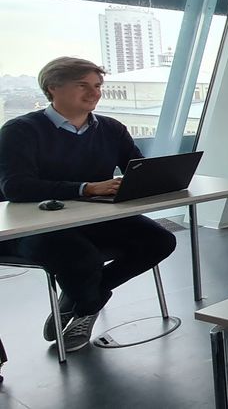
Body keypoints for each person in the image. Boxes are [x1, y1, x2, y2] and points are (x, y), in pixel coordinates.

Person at [0, 57, 177, 352]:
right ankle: (89, 305)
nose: (94, 93)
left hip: (94, 218)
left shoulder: (111, 129)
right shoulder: (20, 130)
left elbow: (138, 168)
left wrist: (159, 179)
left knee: (160, 241)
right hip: (33, 227)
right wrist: (86, 188)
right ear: (53, 87)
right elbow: (16, 187)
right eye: (82, 85)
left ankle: (80, 298)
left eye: (97, 86)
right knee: (82, 258)